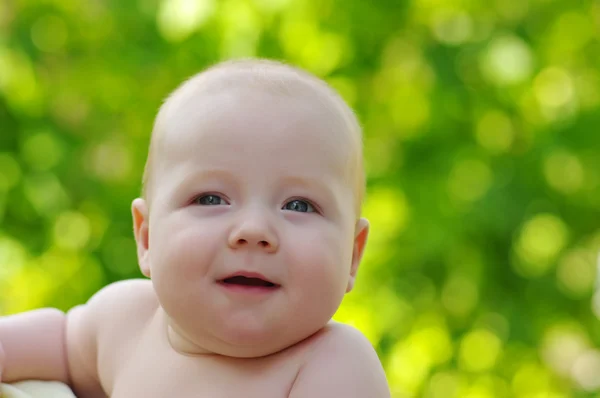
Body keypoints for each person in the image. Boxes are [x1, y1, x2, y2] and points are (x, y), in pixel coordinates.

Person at [0, 59, 390, 397]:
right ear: (147, 237)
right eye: (210, 199)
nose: (254, 230)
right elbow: (58, 344)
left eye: (299, 206)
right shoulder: (126, 322)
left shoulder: (334, 364)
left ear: (352, 255)